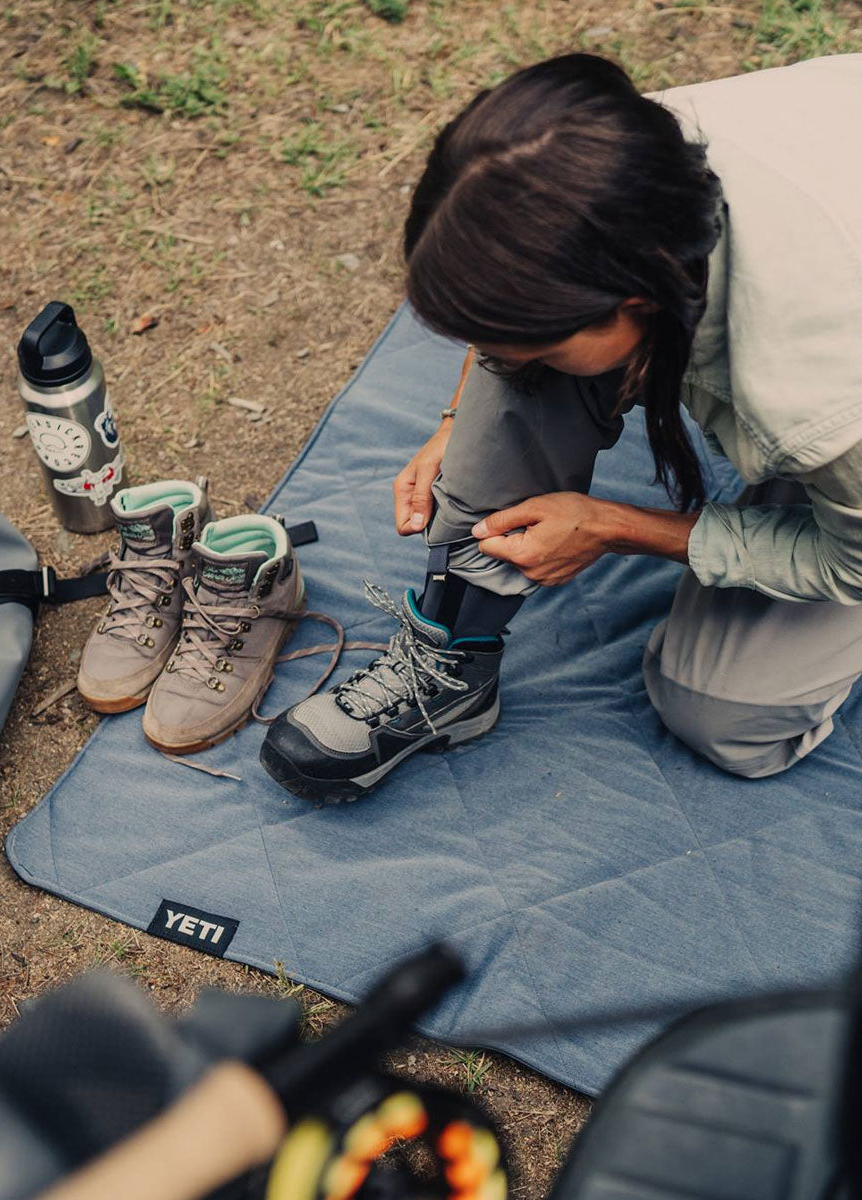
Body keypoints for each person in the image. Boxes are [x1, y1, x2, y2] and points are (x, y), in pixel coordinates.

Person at [260, 51, 862, 803]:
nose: (496, 361)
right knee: (524, 384)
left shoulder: (823, 399)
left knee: (723, 713)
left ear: (639, 306)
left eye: (527, 342)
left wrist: (616, 525)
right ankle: (455, 666)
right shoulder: (601, 157)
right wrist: (465, 419)